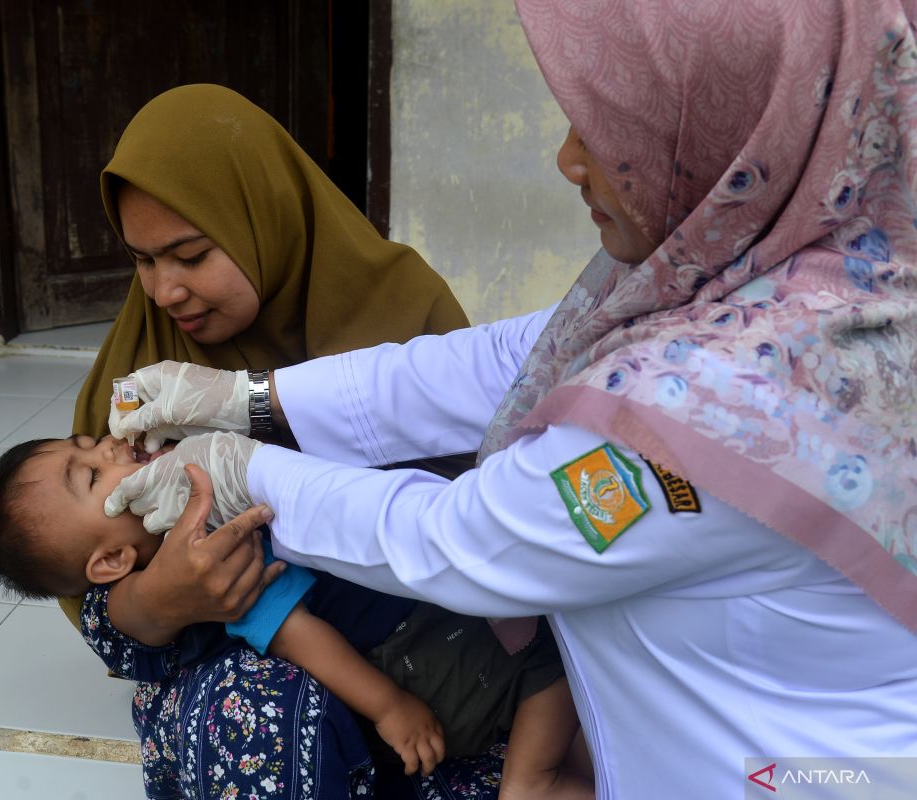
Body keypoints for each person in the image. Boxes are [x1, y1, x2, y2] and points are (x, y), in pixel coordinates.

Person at [101, 1, 917, 796]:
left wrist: (247, 471)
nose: (568, 159)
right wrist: (249, 399)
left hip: (806, 773)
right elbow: (505, 359)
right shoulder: (768, 264)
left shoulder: (727, 402)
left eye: (604, 132)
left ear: (731, 130)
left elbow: (464, 541)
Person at [63, 83, 580, 798]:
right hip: (276, 679)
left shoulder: (399, 309)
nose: (163, 292)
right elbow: (87, 576)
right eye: (144, 261)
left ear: (262, 217)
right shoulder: (141, 372)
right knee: (254, 713)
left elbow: (476, 514)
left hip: (448, 665)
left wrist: (256, 449)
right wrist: (159, 601)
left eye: (189, 255)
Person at [0, 431, 579, 790]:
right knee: (549, 663)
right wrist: (391, 709)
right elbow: (297, 634)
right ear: (111, 562)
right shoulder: (216, 562)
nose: (115, 445)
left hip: (431, 629)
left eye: (91, 442)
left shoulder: (189, 498)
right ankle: (535, 782)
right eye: (93, 473)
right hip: (426, 665)